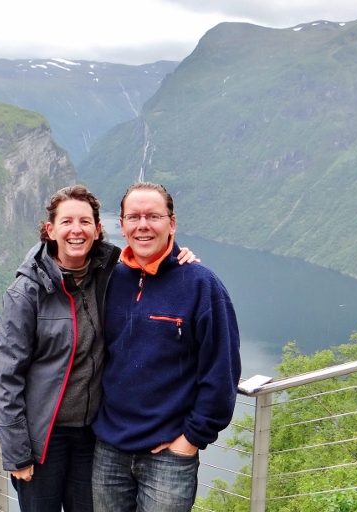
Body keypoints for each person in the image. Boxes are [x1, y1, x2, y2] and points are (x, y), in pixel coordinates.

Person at [0, 185, 197, 512]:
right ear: (51, 230)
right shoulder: (26, 292)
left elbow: (149, 257)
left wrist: (176, 256)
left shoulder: (110, 272)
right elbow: (7, 379)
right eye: (67, 222)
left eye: (85, 222)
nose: (77, 230)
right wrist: (16, 453)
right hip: (43, 440)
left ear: (98, 229)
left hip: (93, 436)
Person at [92, 182, 242, 512]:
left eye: (153, 216)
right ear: (121, 225)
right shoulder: (109, 281)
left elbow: (222, 370)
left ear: (171, 223)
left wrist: (190, 440)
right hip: (108, 450)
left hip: (169, 456)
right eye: (133, 216)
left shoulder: (201, 285)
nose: (142, 225)